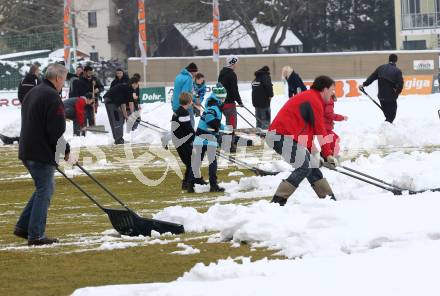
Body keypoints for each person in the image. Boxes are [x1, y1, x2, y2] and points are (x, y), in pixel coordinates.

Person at [14, 63, 70, 245]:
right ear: (58, 78)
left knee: (44, 188)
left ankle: (23, 227)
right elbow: (55, 129)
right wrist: (66, 150)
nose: (64, 84)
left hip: (27, 149)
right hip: (40, 152)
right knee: (44, 190)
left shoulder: (35, 92)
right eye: (64, 79)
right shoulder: (52, 97)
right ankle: (36, 235)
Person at [267, 75, 338, 206]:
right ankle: (277, 202)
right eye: (332, 90)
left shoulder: (311, 98)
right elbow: (320, 130)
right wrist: (328, 154)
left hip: (285, 137)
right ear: (324, 89)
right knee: (303, 166)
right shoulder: (314, 100)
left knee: (311, 165)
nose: (333, 93)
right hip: (280, 136)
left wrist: (316, 154)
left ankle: (329, 199)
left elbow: (309, 132)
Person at [188, 84, 230, 193]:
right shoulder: (214, 107)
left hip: (200, 134)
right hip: (207, 136)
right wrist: (217, 127)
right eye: (223, 98)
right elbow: (210, 120)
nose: (224, 100)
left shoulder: (212, 105)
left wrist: (225, 128)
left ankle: (190, 185)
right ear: (220, 98)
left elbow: (214, 122)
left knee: (197, 160)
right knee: (212, 161)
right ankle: (213, 185)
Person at [361, 54, 404, 123]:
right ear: (396, 60)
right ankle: (386, 129)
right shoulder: (397, 71)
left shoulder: (381, 67)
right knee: (391, 116)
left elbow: (372, 77)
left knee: (387, 116)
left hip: (381, 96)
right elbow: (400, 85)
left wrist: (364, 84)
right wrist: (396, 95)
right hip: (390, 97)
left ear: (389, 59)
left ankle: (387, 128)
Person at [172, 92, 197, 190]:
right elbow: (188, 128)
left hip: (179, 141)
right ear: (189, 101)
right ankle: (189, 183)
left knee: (190, 162)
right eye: (191, 100)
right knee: (192, 162)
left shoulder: (178, 111)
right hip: (182, 142)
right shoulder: (184, 113)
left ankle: (186, 183)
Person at [103, 76, 139, 144]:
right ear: (133, 83)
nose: (137, 86)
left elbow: (131, 102)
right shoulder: (127, 88)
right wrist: (125, 115)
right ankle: (119, 139)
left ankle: (117, 138)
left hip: (109, 101)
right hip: (111, 102)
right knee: (118, 119)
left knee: (115, 120)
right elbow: (122, 104)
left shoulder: (129, 89)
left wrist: (132, 115)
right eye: (137, 84)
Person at [172, 63, 198, 127]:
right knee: (190, 123)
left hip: (175, 104)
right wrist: (194, 101)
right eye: (195, 72)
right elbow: (185, 94)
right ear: (192, 72)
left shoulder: (179, 76)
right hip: (184, 105)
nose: (196, 74)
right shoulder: (188, 79)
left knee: (179, 123)